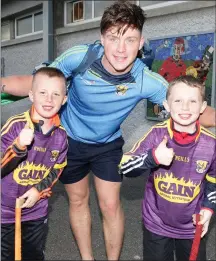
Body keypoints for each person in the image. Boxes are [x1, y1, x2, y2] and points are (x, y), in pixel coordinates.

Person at [0, 2, 215, 260]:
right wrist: (4, 84)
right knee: (78, 201)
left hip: (108, 145)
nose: (121, 49)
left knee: (110, 205)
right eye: (114, 38)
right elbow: (39, 82)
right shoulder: (79, 57)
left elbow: (191, 107)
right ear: (102, 39)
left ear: (140, 42)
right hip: (69, 141)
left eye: (130, 39)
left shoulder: (146, 80)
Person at [119, 75, 216, 261]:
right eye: (178, 100)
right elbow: (124, 167)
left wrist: (208, 208)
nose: (185, 107)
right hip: (156, 224)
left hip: (191, 227)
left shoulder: (210, 144)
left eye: (192, 101)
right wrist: (152, 157)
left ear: (203, 107)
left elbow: (213, 180)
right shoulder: (156, 135)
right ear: (167, 105)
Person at [1, 67, 68, 260]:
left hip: (35, 212)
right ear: (31, 95)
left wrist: (39, 190)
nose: (49, 99)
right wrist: (19, 147)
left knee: (33, 256)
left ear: (63, 100)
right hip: (4, 212)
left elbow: (57, 170)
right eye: (43, 93)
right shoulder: (15, 127)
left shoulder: (61, 136)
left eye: (56, 94)